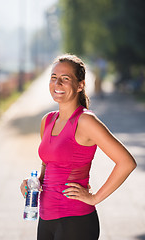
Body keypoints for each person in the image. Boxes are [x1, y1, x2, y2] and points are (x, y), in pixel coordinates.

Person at [20, 54, 137, 240]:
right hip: (45, 218)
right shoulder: (48, 120)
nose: (57, 83)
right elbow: (48, 164)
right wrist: (33, 182)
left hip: (75, 221)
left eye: (65, 79)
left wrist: (95, 198)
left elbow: (126, 162)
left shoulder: (85, 121)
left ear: (80, 85)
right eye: (53, 77)